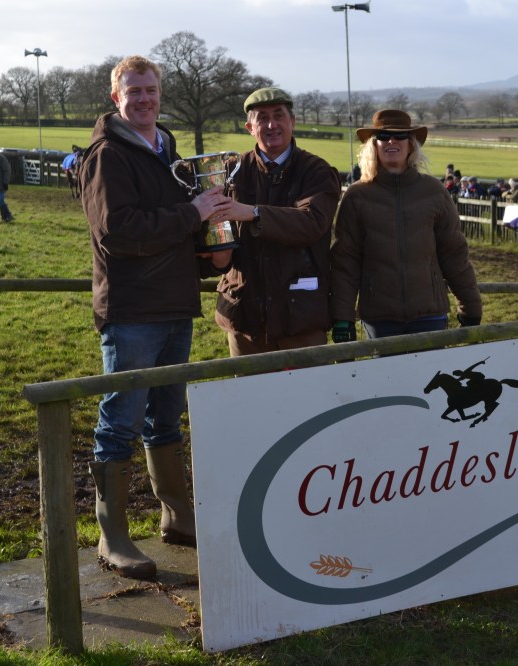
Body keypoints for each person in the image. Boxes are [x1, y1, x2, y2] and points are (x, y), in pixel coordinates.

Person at [80, 55, 234, 579]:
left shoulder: (166, 150)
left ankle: (175, 514)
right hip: (132, 310)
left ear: (160, 93)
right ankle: (112, 534)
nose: (144, 99)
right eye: (134, 91)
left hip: (174, 304)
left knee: (165, 418)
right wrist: (192, 215)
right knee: (120, 422)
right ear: (115, 98)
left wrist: (210, 237)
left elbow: (168, 228)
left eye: (150, 90)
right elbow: (118, 234)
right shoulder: (106, 156)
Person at [330, 109, 482, 341]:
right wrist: (343, 318)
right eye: (383, 136)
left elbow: (454, 254)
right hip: (380, 318)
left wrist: (471, 308)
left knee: (433, 377)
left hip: (429, 315)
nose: (392, 141)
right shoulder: (356, 196)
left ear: (411, 145)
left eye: (400, 136)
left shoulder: (433, 192)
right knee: (386, 378)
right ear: (374, 145)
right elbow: (345, 261)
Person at [211, 87, 342, 356]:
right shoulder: (230, 172)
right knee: (249, 396)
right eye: (262, 118)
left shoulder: (317, 171)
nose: (272, 125)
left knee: (304, 397)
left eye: (279, 116)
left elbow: (312, 223)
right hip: (243, 318)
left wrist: (253, 213)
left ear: (292, 121)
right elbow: (213, 228)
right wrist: (215, 254)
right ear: (250, 127)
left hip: (300, 321)